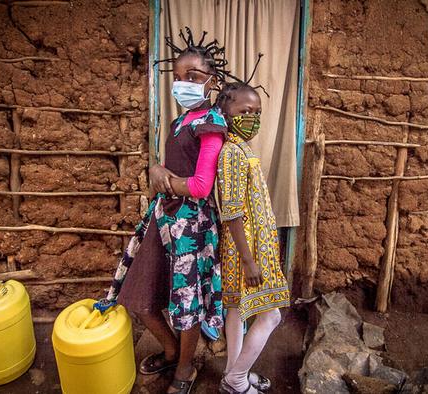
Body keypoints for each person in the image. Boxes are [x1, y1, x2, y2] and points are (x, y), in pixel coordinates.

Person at [105, 28, 229, 394]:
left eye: (192, 77)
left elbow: (201, 186)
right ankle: (173, 350)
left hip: (192, 227)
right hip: (163, 218)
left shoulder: (212, 124)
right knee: (138, 293)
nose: (183, 84)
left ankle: (186, 369)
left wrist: (160, 175)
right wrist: (159, 172)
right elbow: (173, 172)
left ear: (213, 81)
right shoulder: (178, 123)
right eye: (177, 78)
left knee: (187, 301)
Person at [215, 75, 290, 394]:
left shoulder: (240, 147)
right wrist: (248, 261)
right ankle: (236, 379)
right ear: (227, 113)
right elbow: (230, 210)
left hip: (245, 247)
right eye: (246, 111)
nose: (253, 118)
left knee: (236, 309)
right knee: (271, 316)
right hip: (246, 250)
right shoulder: (231, 152)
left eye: (257, 112)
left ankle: (235, 375)